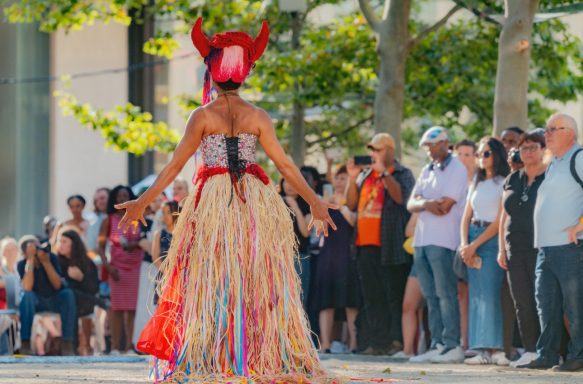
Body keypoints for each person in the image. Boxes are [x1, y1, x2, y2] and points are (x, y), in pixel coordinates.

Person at [115, 18, 336, 382]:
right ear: (244, 72)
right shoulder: (257, 116)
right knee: (254, 279)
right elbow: (284, 165)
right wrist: (314, 199)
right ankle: (253, 353)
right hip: (253, 202)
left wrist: (144, 201)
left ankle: (214, 352)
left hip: (215, 202)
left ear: (212, 72)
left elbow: (174, 166)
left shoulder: (202, 116)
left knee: (210, 279)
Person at [522, 113, 583, 371]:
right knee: (545, 303)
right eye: (546, 129)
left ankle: (578, 356)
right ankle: (546, 355)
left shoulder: (579, 157)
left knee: (574, 305)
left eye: (552, 129)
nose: (546, 134)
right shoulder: (556, 162)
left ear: (569, 132)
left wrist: (581, 225)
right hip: (546, 247)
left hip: (569, 246)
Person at [346, 132, 415, 356]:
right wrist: (351, 176)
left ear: (390, 151)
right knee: (372, 296)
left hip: (390, 245)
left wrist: (385, 173)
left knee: (393, 294)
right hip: (364, 244)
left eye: (378, 150)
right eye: (372, 150)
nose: (373, 154)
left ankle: (396, 340)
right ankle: (378, 342)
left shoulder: (403, 173)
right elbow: (352, 203)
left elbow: (401, 199)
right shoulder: (365, 175)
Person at [407, 126, 467, 363]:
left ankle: (452, 344)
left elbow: (445, 207)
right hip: (421, 241)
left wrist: (424, 202)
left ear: (445, 143)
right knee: (430, 296)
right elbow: (411, 204)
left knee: (445, 294)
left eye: (432, 145)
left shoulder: (457, 169)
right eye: (426, 146)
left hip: (443, 241)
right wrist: (426, 203)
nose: (429, 150)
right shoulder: (426, 169)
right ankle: (438, 343)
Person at [459, 137, 510, 365]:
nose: (481, 158)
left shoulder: (503, 181)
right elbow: (465, 216)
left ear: (497, 155)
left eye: (486, 153)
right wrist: (464, 245)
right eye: (479, 154)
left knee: (489, 294)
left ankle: (495, 347)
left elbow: (500, 219)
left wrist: (475, 245)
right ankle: (478, 348)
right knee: (477, 295)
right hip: (471, 238)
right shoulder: (476, 182)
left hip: (489, 241)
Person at [498, 131, 546, 368]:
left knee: (543, 301)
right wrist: (501, 249)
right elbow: (503, 217)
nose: (527, 152)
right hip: (513, 248)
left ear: (543, 150)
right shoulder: (512, 178)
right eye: (523, 148)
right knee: (521, 301)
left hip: (540, 247)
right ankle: (529, 349)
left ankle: (550, 350)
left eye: (533, 147)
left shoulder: (550, 177)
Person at [312, 165, 359, 354]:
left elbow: (352, 222)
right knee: (326, 302)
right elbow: (316, 230)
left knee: (350, 301)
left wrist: (342, 205)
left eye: (344, 178)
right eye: (337, 178)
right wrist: (322, 206)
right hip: (327, 256)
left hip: (347, 255)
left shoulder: (353, 202)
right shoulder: (325, 201)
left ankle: (354, 343)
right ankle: (326, 343)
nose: (340, 182)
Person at [98, 185, 144, 355]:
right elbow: (100, 246)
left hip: (136, 267)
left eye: (126, 195)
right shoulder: (108, 220)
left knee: (132, 309)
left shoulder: (138, 217)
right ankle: (116, 347)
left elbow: (142, 238)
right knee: (116, 309)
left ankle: (130, 346)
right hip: (116, 268)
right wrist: (108, 266)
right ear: (114, 199)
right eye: (119, 196)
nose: (122, 199)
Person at [17, 235, 76, 355]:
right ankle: (25, 343)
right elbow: (27, 287)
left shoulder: (51, 258)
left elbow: (58, 286)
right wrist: (30, 260)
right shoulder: (22, 264)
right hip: (35, 302)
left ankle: (67, 344)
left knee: (68, 294)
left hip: (54, 299)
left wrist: (46, 262)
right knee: (27, 296)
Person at [57, 230, 100, 355]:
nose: (61, 244)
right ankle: (71, 345)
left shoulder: (87, 262)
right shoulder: (57, 261)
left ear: (74, 244)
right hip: (63, 302)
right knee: (70, 297)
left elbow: (94, 288)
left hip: (85, 303)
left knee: (74, 299)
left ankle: (75, 345)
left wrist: (81, 278)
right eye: (60, 241)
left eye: (64, 242)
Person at [454, 139, 477, 350]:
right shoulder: (453, 182)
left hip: (477, 242)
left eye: (468, 154)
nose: (462, 158)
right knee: (461, 294)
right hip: (457, 244)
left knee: (474, 293)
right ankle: (463, 340)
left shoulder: (479, 182)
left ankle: (473, 340)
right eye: (459, 153)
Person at [279, 178, 311, 310]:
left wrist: (296, 208)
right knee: (280, 300)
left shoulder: (307, 204)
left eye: (293, 181)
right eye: (286, 181)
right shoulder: (276, 200)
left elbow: (305, 232)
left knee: (298, 300)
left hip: (299, 257)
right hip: (279, 257)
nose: (290, 185)